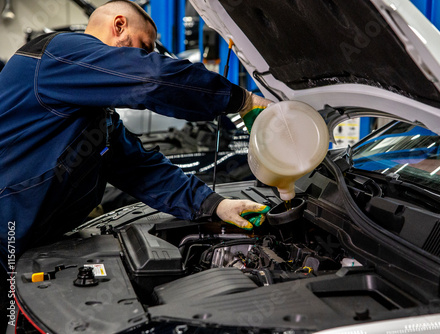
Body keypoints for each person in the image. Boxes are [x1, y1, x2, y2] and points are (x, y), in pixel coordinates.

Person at [0, 0, 272, 275]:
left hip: (23, 249)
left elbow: (141, 171)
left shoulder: (97, 119)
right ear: (118, 25)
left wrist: (215, 205)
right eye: (144, 48)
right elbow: (153, 78)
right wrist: (242, 100)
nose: (144, 58)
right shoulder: (58, 53)